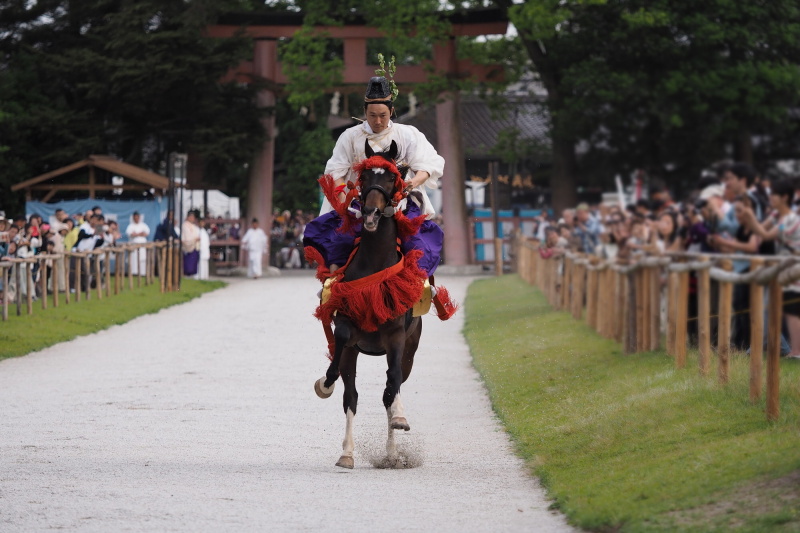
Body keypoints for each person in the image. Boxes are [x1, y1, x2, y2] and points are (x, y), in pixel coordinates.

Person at [125, 211, 150, 276]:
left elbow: (146, 233)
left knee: (142, 259)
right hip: (134, 246)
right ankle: (134, 272)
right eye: (135, 217)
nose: (136, 218)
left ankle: (142, 273)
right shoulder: (130, 226)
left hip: (142, 246)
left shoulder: (143, 225)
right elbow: (130, 234)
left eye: (137, 217)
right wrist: (139, 234)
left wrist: (137, 234)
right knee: (134, 259)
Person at [182, 211, 201, 276]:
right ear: (188, 217)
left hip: (195, 246)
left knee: (193, 264)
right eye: (191, 217)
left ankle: (193, 275)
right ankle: (187, 275)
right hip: (189, 247)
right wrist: (194, 239)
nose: (192, 218)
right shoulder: (185, 225)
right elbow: (187, 236)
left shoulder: (193, 226)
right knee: (188, 265)